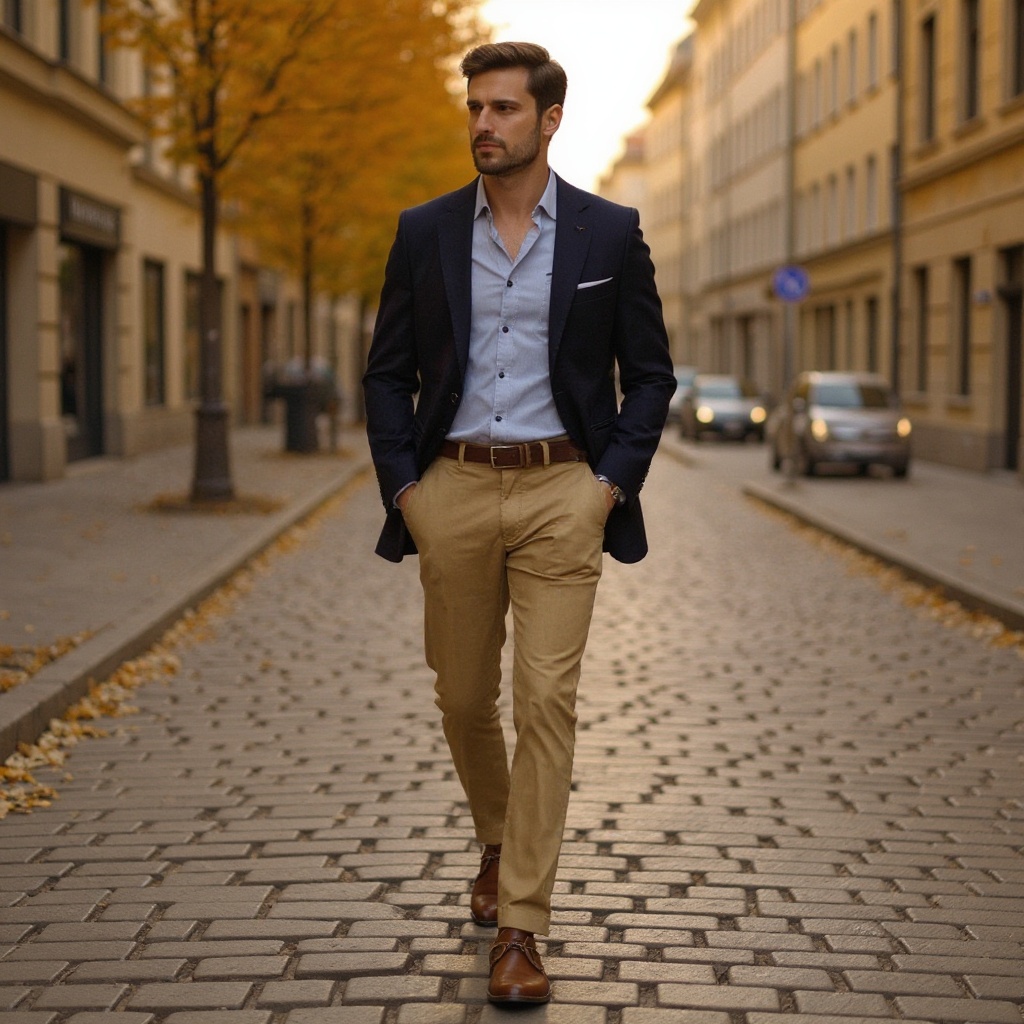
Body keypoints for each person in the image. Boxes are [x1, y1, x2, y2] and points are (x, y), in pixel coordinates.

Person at [362, 41, 675, 1005]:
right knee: (463, 701)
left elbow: (651, 373)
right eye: (475, 109)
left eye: (502, 110)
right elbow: (386, 371)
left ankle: (522, 928)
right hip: (451, 485)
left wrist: (607, 486)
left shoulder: (608, 233)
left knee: (547, 703)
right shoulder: (424, 232)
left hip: (559, 494)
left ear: (548, 121)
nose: (482, 126)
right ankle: (495, 838)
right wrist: (407, 488)